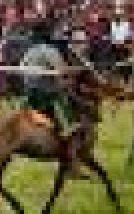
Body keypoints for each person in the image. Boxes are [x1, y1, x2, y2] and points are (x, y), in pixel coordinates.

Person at [19, 22, 86, 173]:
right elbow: (62, 71)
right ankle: (72, 161)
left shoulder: (29, 52)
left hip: (29, 92)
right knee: (72, 127)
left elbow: (21, 69)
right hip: (47, 94)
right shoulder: (50, 51)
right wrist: (74, 72)